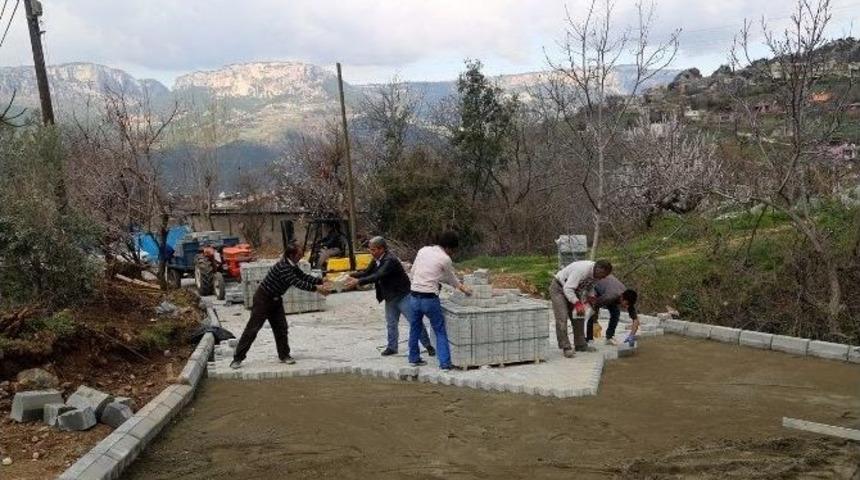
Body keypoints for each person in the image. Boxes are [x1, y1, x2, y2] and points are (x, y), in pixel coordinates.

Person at [230, 243, 330, 369]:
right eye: (299, 254)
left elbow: (302, 276)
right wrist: (317, 289)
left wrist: (321, 281)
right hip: (263, 299)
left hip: (276, 300)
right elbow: (296, 282)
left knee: (281, 328)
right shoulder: (284, 267)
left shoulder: (292, 265)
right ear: (291, 255)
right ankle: (237, 358)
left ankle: (284, 355)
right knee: (252, 329)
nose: (301, 256)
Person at [344, 236, 435, 357]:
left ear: (382, 249)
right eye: (370, 249)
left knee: (414, 321)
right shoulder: (377, 259)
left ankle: (428, 345)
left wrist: (358, 282)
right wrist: (350, 275)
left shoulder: (389, 260)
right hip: (390, 296)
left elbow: (378, 275)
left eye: (374, 250)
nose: (371, 252)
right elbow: (367, 273)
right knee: (391, 323)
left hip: (403, 295)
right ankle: (392, 347)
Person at [408, 231, 472, 369]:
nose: (452, 253)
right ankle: (445, 363)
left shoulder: (423, 250)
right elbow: (451, 278)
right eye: (453, 250)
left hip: (413, 296)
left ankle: (413, 358)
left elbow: (413, 272)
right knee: (439, 330)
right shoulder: (445, 259)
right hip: (429, 299)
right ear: (449, 247)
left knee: (415, 328)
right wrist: (463, 288)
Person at [549, 259, 612, 358]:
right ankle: (566, 347)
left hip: (574, 291)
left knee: (579, 316)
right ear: (598, 269)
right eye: (603, 275)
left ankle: (580, 344)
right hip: (560, 289)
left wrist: (591, 297)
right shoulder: (581, 270)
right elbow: (568, 288)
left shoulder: (596, 275)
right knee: (562, 317)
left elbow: (589, 286)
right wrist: (577, 303)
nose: (603, 278)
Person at [585, 275, 640, 346]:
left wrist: (631, 335)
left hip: (610, 286)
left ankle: (609, 337)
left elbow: (635, 320)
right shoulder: (609, 297)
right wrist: (595, 322)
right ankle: (589, 339)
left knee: (616, 313)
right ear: (622, 297)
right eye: (625, 303)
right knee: (593, 314)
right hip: (596, 284)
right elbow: (595, 306)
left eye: (628, 305)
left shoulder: (628, 297)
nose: (626, 307)